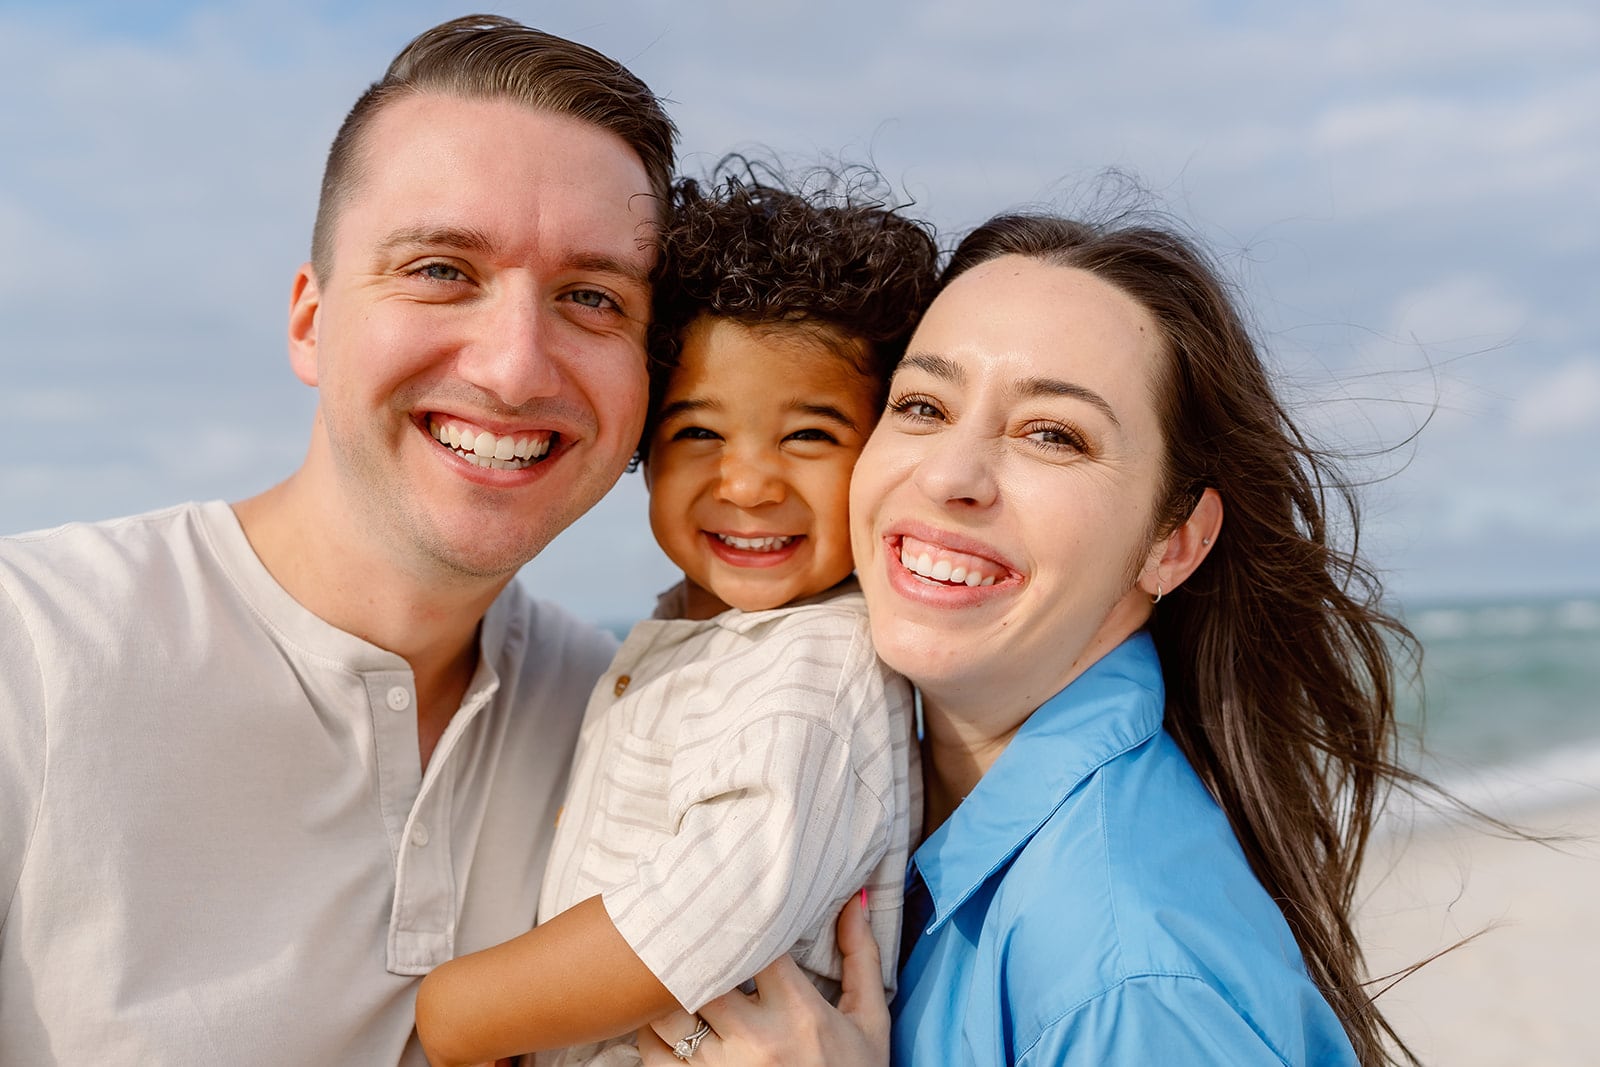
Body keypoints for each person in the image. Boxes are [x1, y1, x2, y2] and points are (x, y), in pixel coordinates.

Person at [0, 15, 676, 1065]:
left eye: (592, 298)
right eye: (441, 270)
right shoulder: (31, 650)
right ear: (311, 322)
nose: (513, 368)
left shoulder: (639, 721)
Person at [638, 212, 1429, 1066]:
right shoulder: (870, 798)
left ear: (1175, 541)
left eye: (1053, 434)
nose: (949, 474)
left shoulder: (1126, 982)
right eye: (922, 406)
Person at [413, 169, 940, 1067]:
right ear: (644, 451)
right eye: (699, 432)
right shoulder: (693, 639)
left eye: (809, 435)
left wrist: (457, 1008)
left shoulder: (820, 668)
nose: (749, 482)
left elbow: (686, 918)